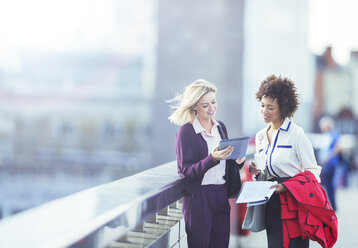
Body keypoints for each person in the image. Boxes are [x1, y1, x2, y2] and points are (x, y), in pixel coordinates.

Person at [168, 79, 245, 248]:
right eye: (205, 105)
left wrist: (238, 161)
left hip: (221, 195)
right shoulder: (185, 132)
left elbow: (224, 165)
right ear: (194, 106)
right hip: (198, 198)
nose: (212, 108)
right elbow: (185, 172)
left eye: (214, 102)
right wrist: (213, 158)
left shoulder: (220, 127)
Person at [249, 75, 323, 248]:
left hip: (294, 203)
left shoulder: (296, 134)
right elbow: (265, 169)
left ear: (283, 108)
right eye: (262, 106)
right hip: (271, 202)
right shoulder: (260, 136)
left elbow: (314, 172)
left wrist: (288, 187)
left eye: (270, 107)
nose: (264, 111)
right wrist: (257, 172)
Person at [319, 115, 340, 211]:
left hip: (330, 164)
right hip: (326, 163)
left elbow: (336, 149)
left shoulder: (334, 135)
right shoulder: (327, 136)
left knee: (329, 185)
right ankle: (330, 204)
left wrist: (327, 158)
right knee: (327, 185)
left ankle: (333, 205)